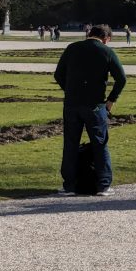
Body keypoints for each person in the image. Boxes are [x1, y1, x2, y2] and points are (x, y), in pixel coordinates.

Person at [53, 24, 126, 196]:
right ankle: (103, 185)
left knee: (70, 144)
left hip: (72, 104)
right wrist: (111, 100)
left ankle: (69, 185)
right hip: (95, 105)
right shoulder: (105, 51)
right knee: (100, 144)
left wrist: (70, 90)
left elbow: (58, 74)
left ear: (89, 34)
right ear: (106, 38)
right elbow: (121, 78)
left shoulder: (72, 48)